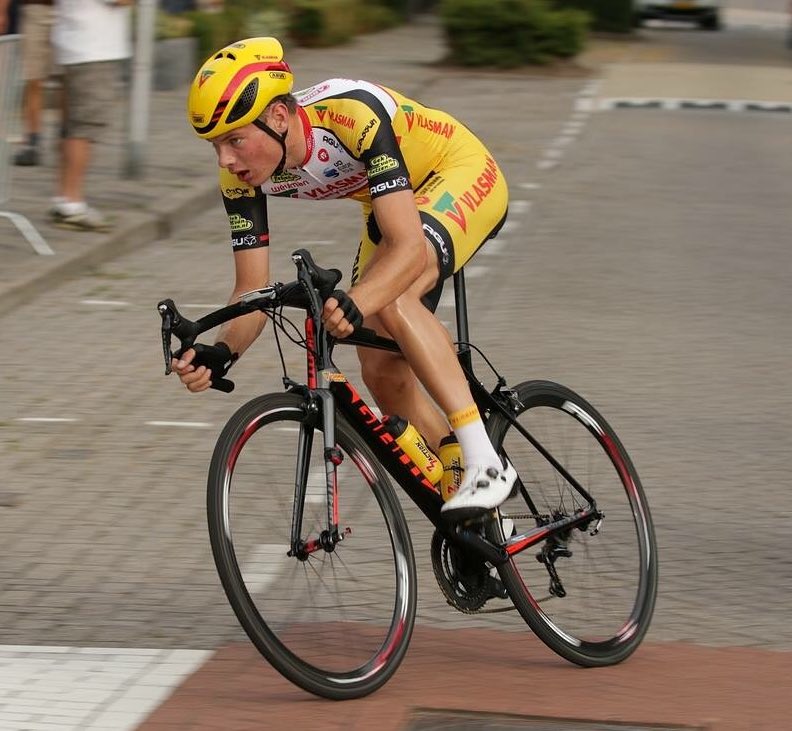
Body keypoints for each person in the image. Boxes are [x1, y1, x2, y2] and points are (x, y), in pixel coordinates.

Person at [174, 37, 516, 521]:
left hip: (457, 172)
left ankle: (485, 459)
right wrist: (221, 351)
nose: (225, 160)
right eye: (216, 146)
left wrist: (357, 298)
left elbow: (407, 247)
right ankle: (462, 479)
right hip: (390, 207)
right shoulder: (242, 175)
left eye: (234, 140)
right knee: (378, 369)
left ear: (276, 118)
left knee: (393, 301)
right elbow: (251, 289)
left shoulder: (352, 115)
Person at [49, 0, 133, 231]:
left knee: (70, 128)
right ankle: (72, 204)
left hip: (74, 44)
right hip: (92, 49)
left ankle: (62, 198)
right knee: (84, 129)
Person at [13, 0, 55, 167]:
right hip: (35, 7)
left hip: (71, 12)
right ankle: (32, 141)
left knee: (70, 79)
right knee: (33, 78)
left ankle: (67, 138)